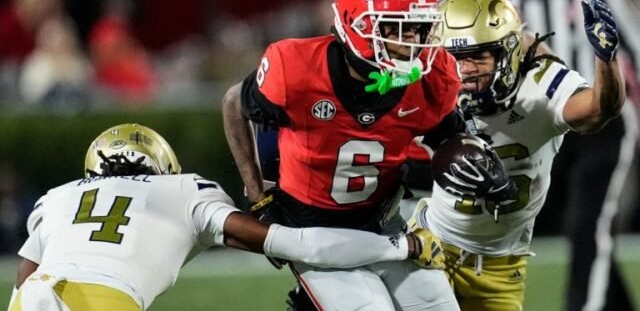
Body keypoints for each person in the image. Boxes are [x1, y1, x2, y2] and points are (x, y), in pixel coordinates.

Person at [221, 0, 520, 310]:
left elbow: (450, 137)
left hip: (384, 224)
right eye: (397, 28)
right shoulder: (296, 69)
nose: (414, 41)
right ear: (357, 25)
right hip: (315, 232)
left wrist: (474, 160)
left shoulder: (430, 77)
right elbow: (233, 104)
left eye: (419, 28)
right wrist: (257, 196)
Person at [7, 123, 444, 311]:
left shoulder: (57, 197)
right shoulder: (182, 191)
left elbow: (24, 285)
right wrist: (404, 244)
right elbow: (299, 244)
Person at [409, 0, 626, 310]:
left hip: (501, 266)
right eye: (457, 58)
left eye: (478, 56)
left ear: (507, 51)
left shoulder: (540, 86)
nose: (465, 70)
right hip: (433, 242)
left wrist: (606, 61)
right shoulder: (436, 82)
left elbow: (598, 110)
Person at [499, 0, 640, 310]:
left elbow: (635, 46)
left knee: (587, 225)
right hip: (546, 130)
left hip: (605, 125)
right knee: (581, 230)